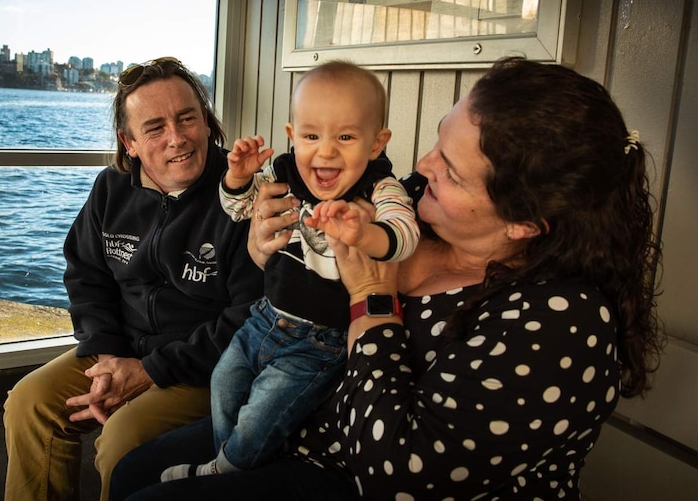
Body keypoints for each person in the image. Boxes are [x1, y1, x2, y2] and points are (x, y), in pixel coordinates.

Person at [108, 57, 664, 501]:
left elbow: (401, 477)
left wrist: (371, 299)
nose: (422, 165)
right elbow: (296, 270)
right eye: (439, 142)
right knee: (133, 471)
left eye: (450, 169)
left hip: (358, 472)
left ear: (524, 222)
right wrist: (263, 249)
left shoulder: (562, 323)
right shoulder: (417, 203)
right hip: (300, 420)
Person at [2, 57, 264, 501]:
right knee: (28, 404)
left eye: (187, 119)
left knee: (123, 441)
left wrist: (149, 371)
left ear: (207, 122)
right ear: (130, 142)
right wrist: (109, 359)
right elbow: (86, 277)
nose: (177, 139)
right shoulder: (111, 188)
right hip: (123, 348)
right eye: (155, 127)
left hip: (206, 368)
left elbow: (249, 317)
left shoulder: (244, 195)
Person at [161, 61, 419, 481]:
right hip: (264, 316)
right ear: (292, 136)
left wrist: (365, 233)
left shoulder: (380, 187)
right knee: (224, 383)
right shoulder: (283, 173)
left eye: (346, 137)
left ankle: (227, 469)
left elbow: (404, 235)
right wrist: (238, 177)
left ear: (376, 143)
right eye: (311, 136)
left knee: (266, 407)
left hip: (321, 339)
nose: (326, 150)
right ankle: (227, 463)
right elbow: (239, 209)